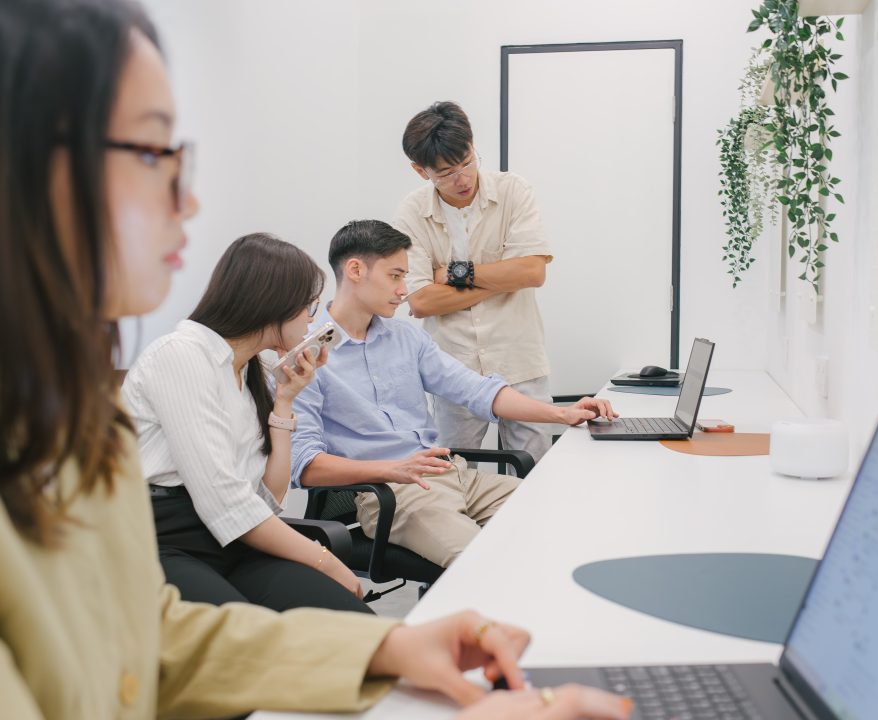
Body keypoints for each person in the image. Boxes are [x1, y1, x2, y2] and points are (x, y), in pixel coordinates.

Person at [0, 0, 629, 717]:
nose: (190, 198)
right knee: (472, 568)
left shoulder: (84, 413)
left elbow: (151, 632)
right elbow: (248, 507)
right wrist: (351, 532)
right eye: (152, 152)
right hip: (354, 501)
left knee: (534, 525)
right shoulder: (207, 363)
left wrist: (387, 652)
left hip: (407, 480)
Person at [291, 220, 617, 568]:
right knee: (485, 564)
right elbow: (305, 465)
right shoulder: (306, 356)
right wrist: (393, 468)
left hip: (453, 475)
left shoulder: (406, 338)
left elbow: (476, 390)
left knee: (569, 520)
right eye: (395, 276)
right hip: (393, 496)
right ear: (355, 270)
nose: (404, 290)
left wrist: (563, 415)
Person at [122, 232, 368, 613]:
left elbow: (269, 499)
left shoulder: (253, 370)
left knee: (351, 620)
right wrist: (326, 560)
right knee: (253, 639)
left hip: (235, 537)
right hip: (164, 538)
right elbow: (225, 502)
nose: (312, 320)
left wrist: (285, 402)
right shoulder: (182, 356)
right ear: (275, 303)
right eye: (310, 307)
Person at [394, 101, 556, 464]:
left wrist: (453, 275)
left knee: (537, 472)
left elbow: (532, 273)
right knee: (452, 475)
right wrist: (503, 276)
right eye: (447, 172)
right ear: (421, 171)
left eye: (467, 161)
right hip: (454, 368)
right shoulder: (410, 212)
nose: (462, 179)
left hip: (520, 359)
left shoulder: (514, 191)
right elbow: (420, 302)